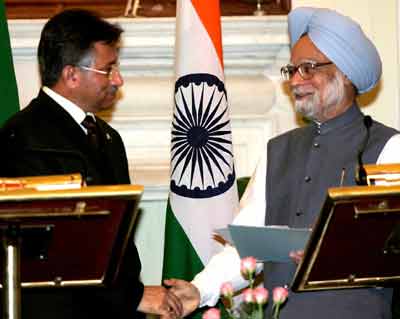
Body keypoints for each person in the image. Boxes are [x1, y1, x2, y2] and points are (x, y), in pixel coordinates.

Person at [165, 6, 400, 319]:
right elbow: (247, 244)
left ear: (344, 73)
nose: (294, 81)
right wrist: (200, 289)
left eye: (307, 68)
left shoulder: (389, 147)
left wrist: (331, 252)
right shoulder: (278, 150)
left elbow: (390, 248)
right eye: (292, 70)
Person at [0, 9, 182, 319]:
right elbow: (56, 249)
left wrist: (131, 298)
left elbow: (117, 243)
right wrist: (133, 297)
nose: (118, 79)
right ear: (71, 74)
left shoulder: (107, 137)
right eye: (108, 69)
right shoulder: (25, 138)